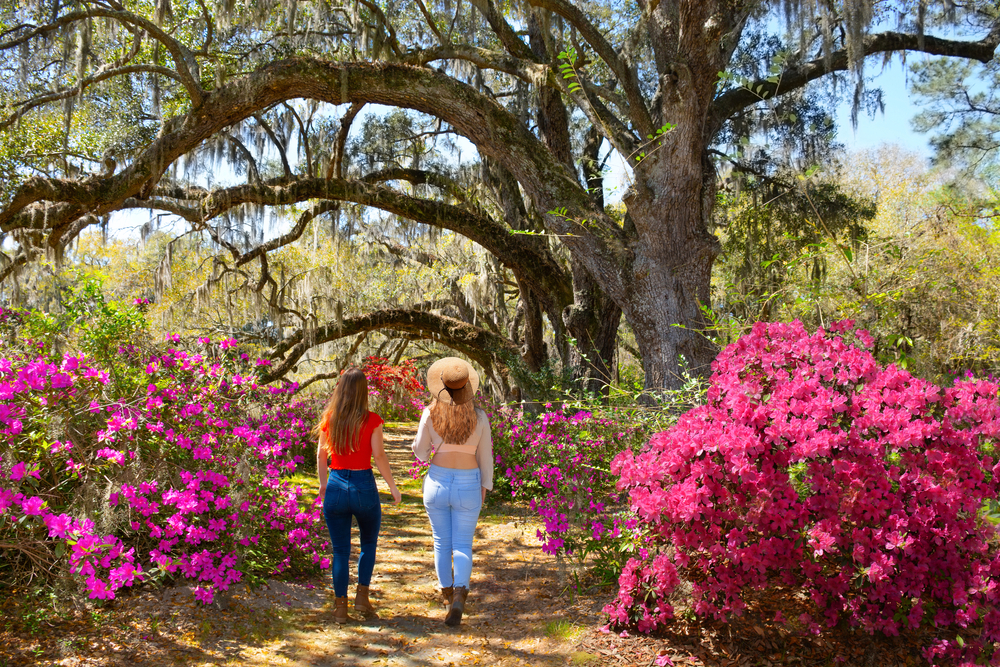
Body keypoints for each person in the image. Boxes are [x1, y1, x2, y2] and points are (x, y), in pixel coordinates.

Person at [412, 357, 494, 626]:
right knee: (462, 544)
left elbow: (420, 452)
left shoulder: (430, 412)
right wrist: (485, 485)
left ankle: (447, 596)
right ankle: (460, 593)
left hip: (437, 481)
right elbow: (486, 456)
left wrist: (428, 451)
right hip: (469, 481)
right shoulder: (480, 416)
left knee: (440, 541)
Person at [316, 368, 401, 624]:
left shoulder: (329, 419)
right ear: (364, 391)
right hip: (364, 484)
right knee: (368, 545)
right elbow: (380, 456)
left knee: (340, 550)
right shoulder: (372, 419)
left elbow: (321, 454)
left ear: (341, 388)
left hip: (336, 483)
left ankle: (340, 608)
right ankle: (362, 599)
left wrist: (322, 485)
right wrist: (393, 487)